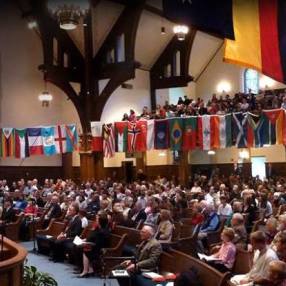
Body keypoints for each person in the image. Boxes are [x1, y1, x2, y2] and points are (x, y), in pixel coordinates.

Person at [77, 211, 111, 278]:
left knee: (86, 251)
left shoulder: (103, 231)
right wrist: (86, 241)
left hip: (100, 249)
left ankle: (85, 271)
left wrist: (87, 243)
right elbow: (92, 238)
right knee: (80, 247)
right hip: (94, 246)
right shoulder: (99, 228)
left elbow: (98, 244)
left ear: (101, 221)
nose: (96, 220)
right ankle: (90, 270)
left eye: (97, 219)